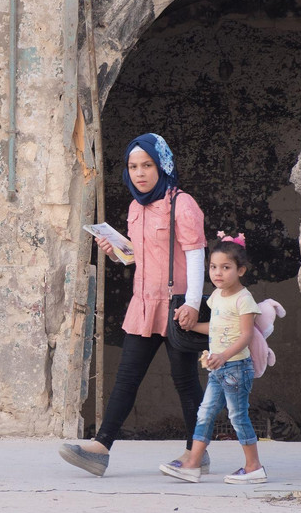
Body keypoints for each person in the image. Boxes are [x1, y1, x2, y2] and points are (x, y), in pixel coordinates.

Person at [59, 133, 208, 477]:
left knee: (185, 381)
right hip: (143, 304)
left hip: (177, 307)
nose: (140, 173)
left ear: (162, 166)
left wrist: (194, 304)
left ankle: (196, 450)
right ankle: (100, 448)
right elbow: (143, 257)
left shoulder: (181, 204)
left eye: (147, 165)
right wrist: (117, 253)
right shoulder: (135, 206)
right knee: (127, 378)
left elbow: (196, 255)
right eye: (133, 166)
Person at [159, 232, 267, 484]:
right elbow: (216, 328)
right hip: (218, 368)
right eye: (213, 267)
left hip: (236, 367)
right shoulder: (217, 296)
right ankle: (192, 464)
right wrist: (191, 326)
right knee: (205, 413)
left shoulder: (244, 299)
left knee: (237, 416)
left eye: (226, 267)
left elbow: (245, 336)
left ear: (241, 270)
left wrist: (223, 355)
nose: (218, 273)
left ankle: (254, 467)